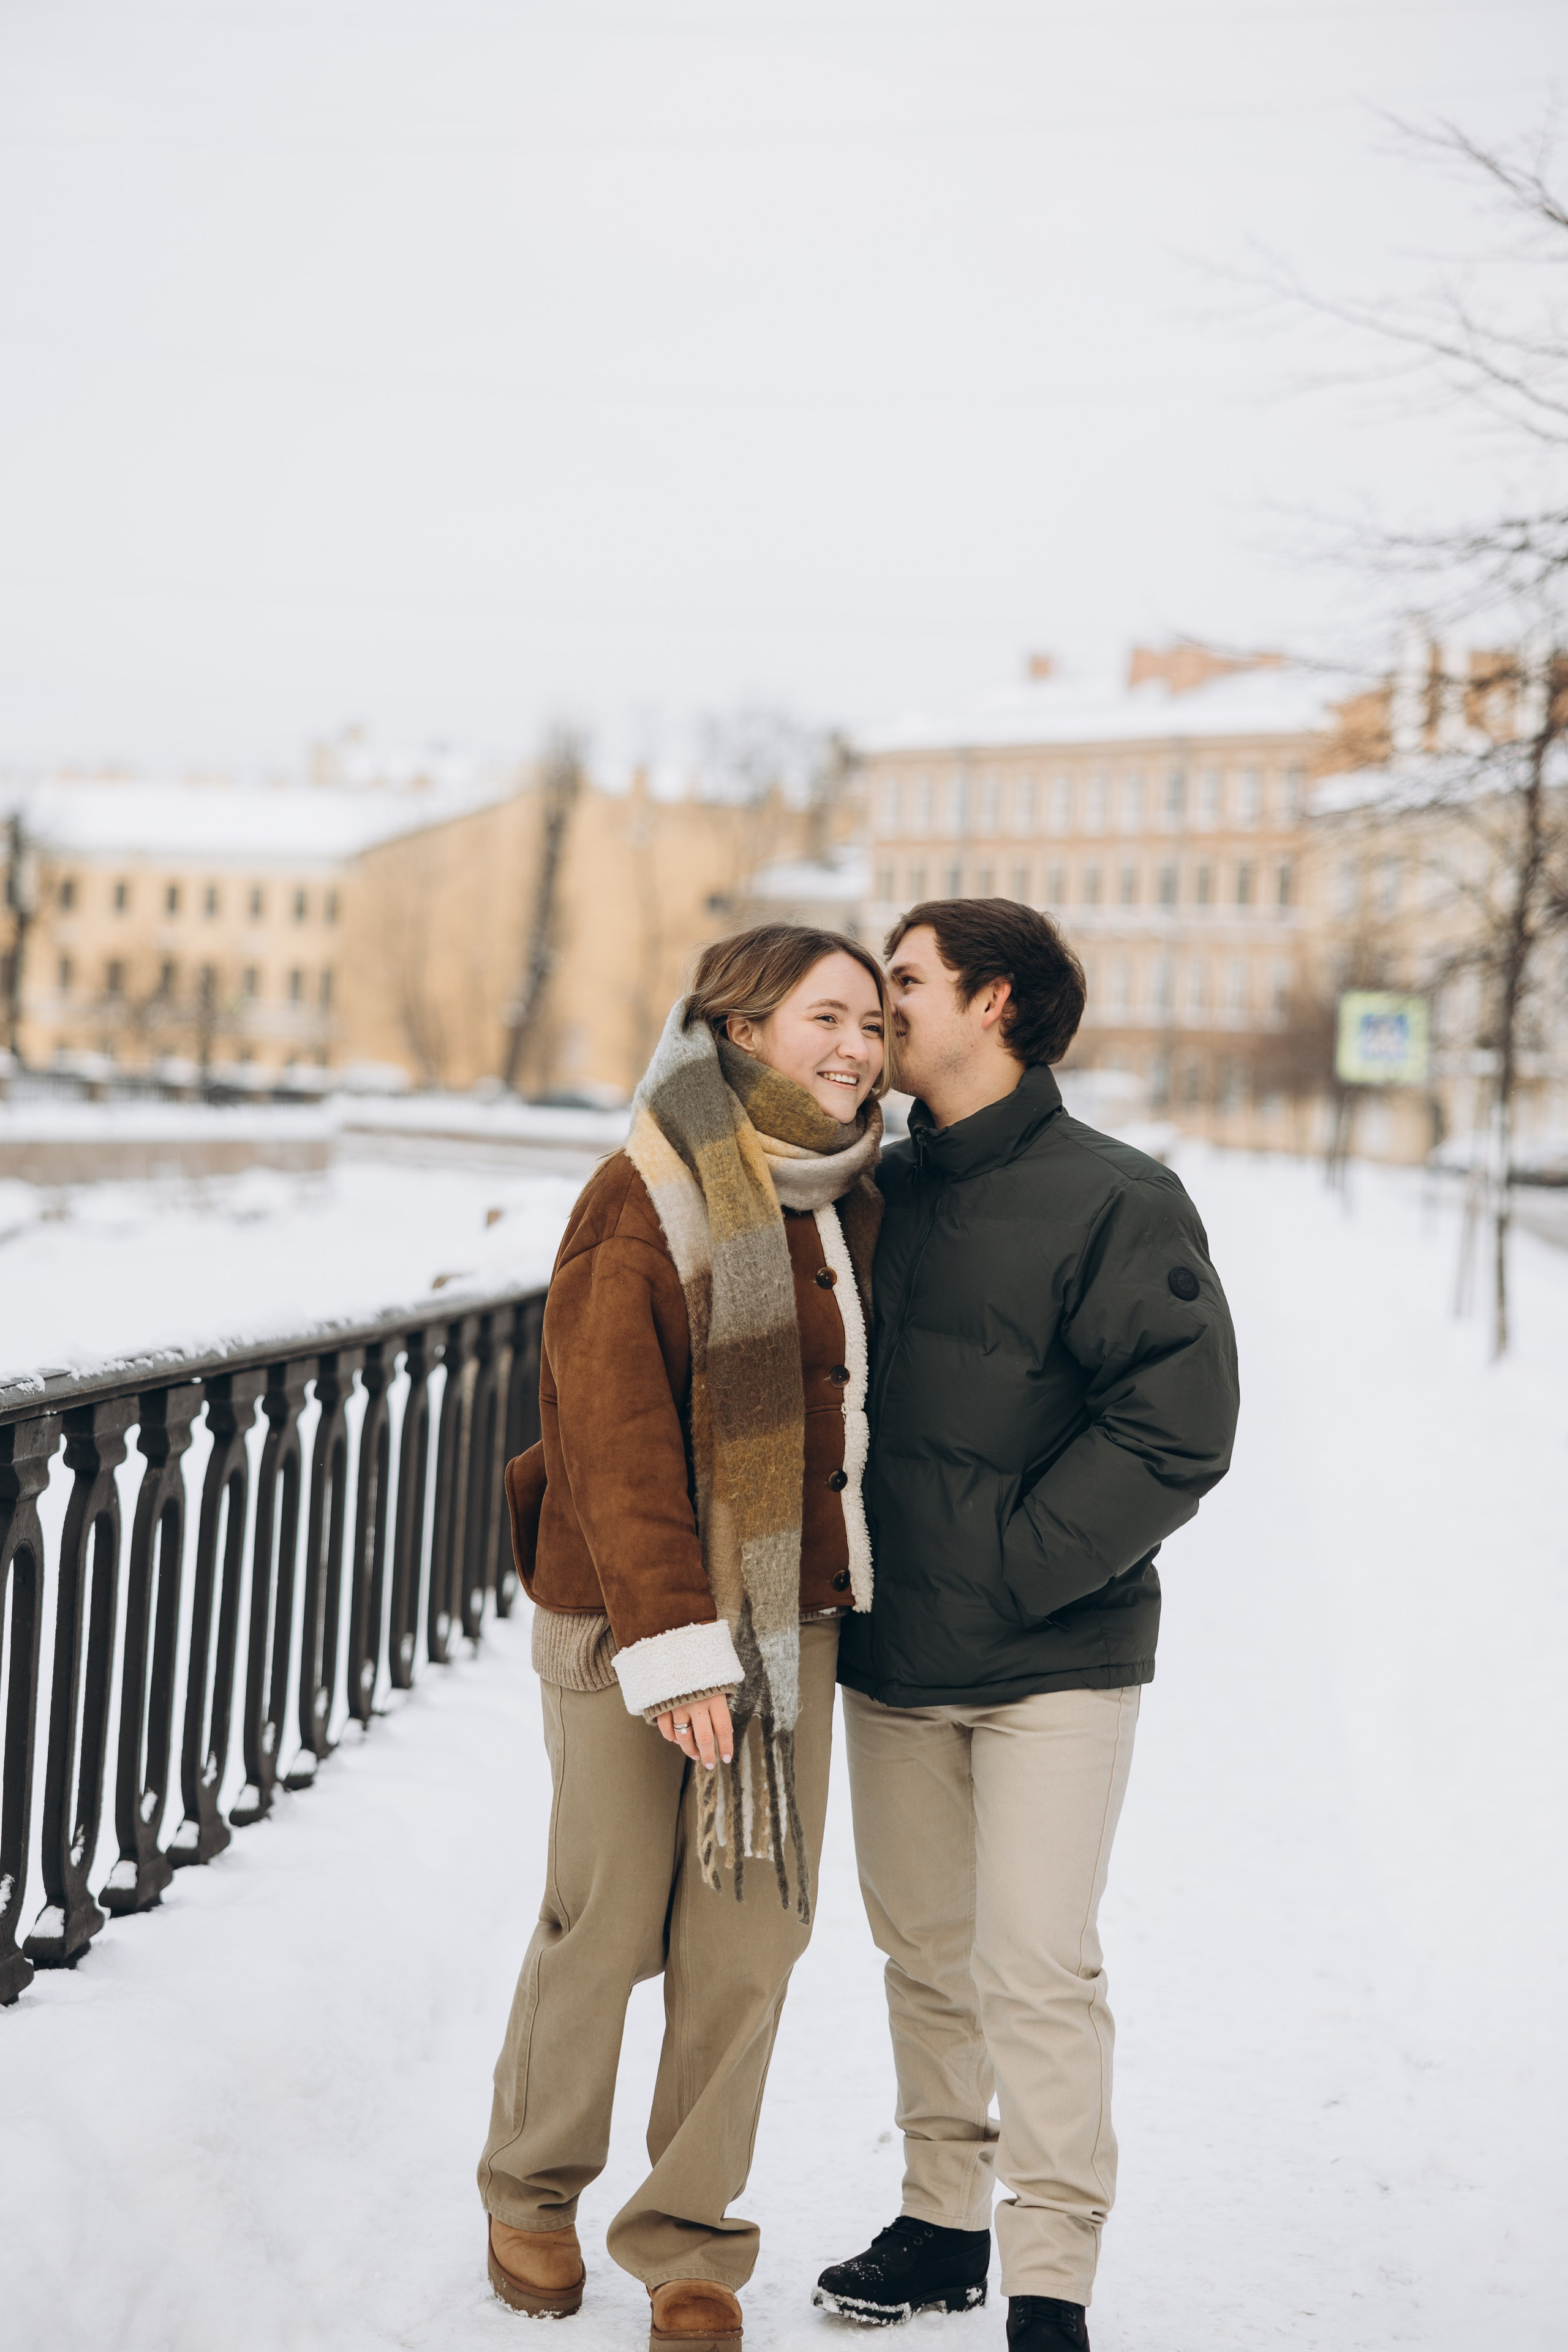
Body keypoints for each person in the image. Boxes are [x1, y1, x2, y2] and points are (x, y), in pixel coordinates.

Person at [816, 900, 1240, 2352]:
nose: (880, 1008)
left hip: (1052, 1656)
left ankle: (1047, 2276)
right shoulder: (868, 1186)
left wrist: (1012, 1566)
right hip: (890, 1657)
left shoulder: (1116, 1195)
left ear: (990, 1003)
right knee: (923, 1956)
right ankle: (941, 2223)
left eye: (906, 984)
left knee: (1032, 1963)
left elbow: (1179, 1421)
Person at [479, 923, 892, 2352]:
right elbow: (609, 1437)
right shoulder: (641, 1191)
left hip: (792, 1628)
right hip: (628, 1621)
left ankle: (691, 2237)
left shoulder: (848, 1197)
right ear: (741, 1027)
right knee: (604, 1922)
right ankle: (531, 2190)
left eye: (871, 1026)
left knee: (750, 1940)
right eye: (825, 1018)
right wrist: (675, 1649)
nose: (855, 1048)